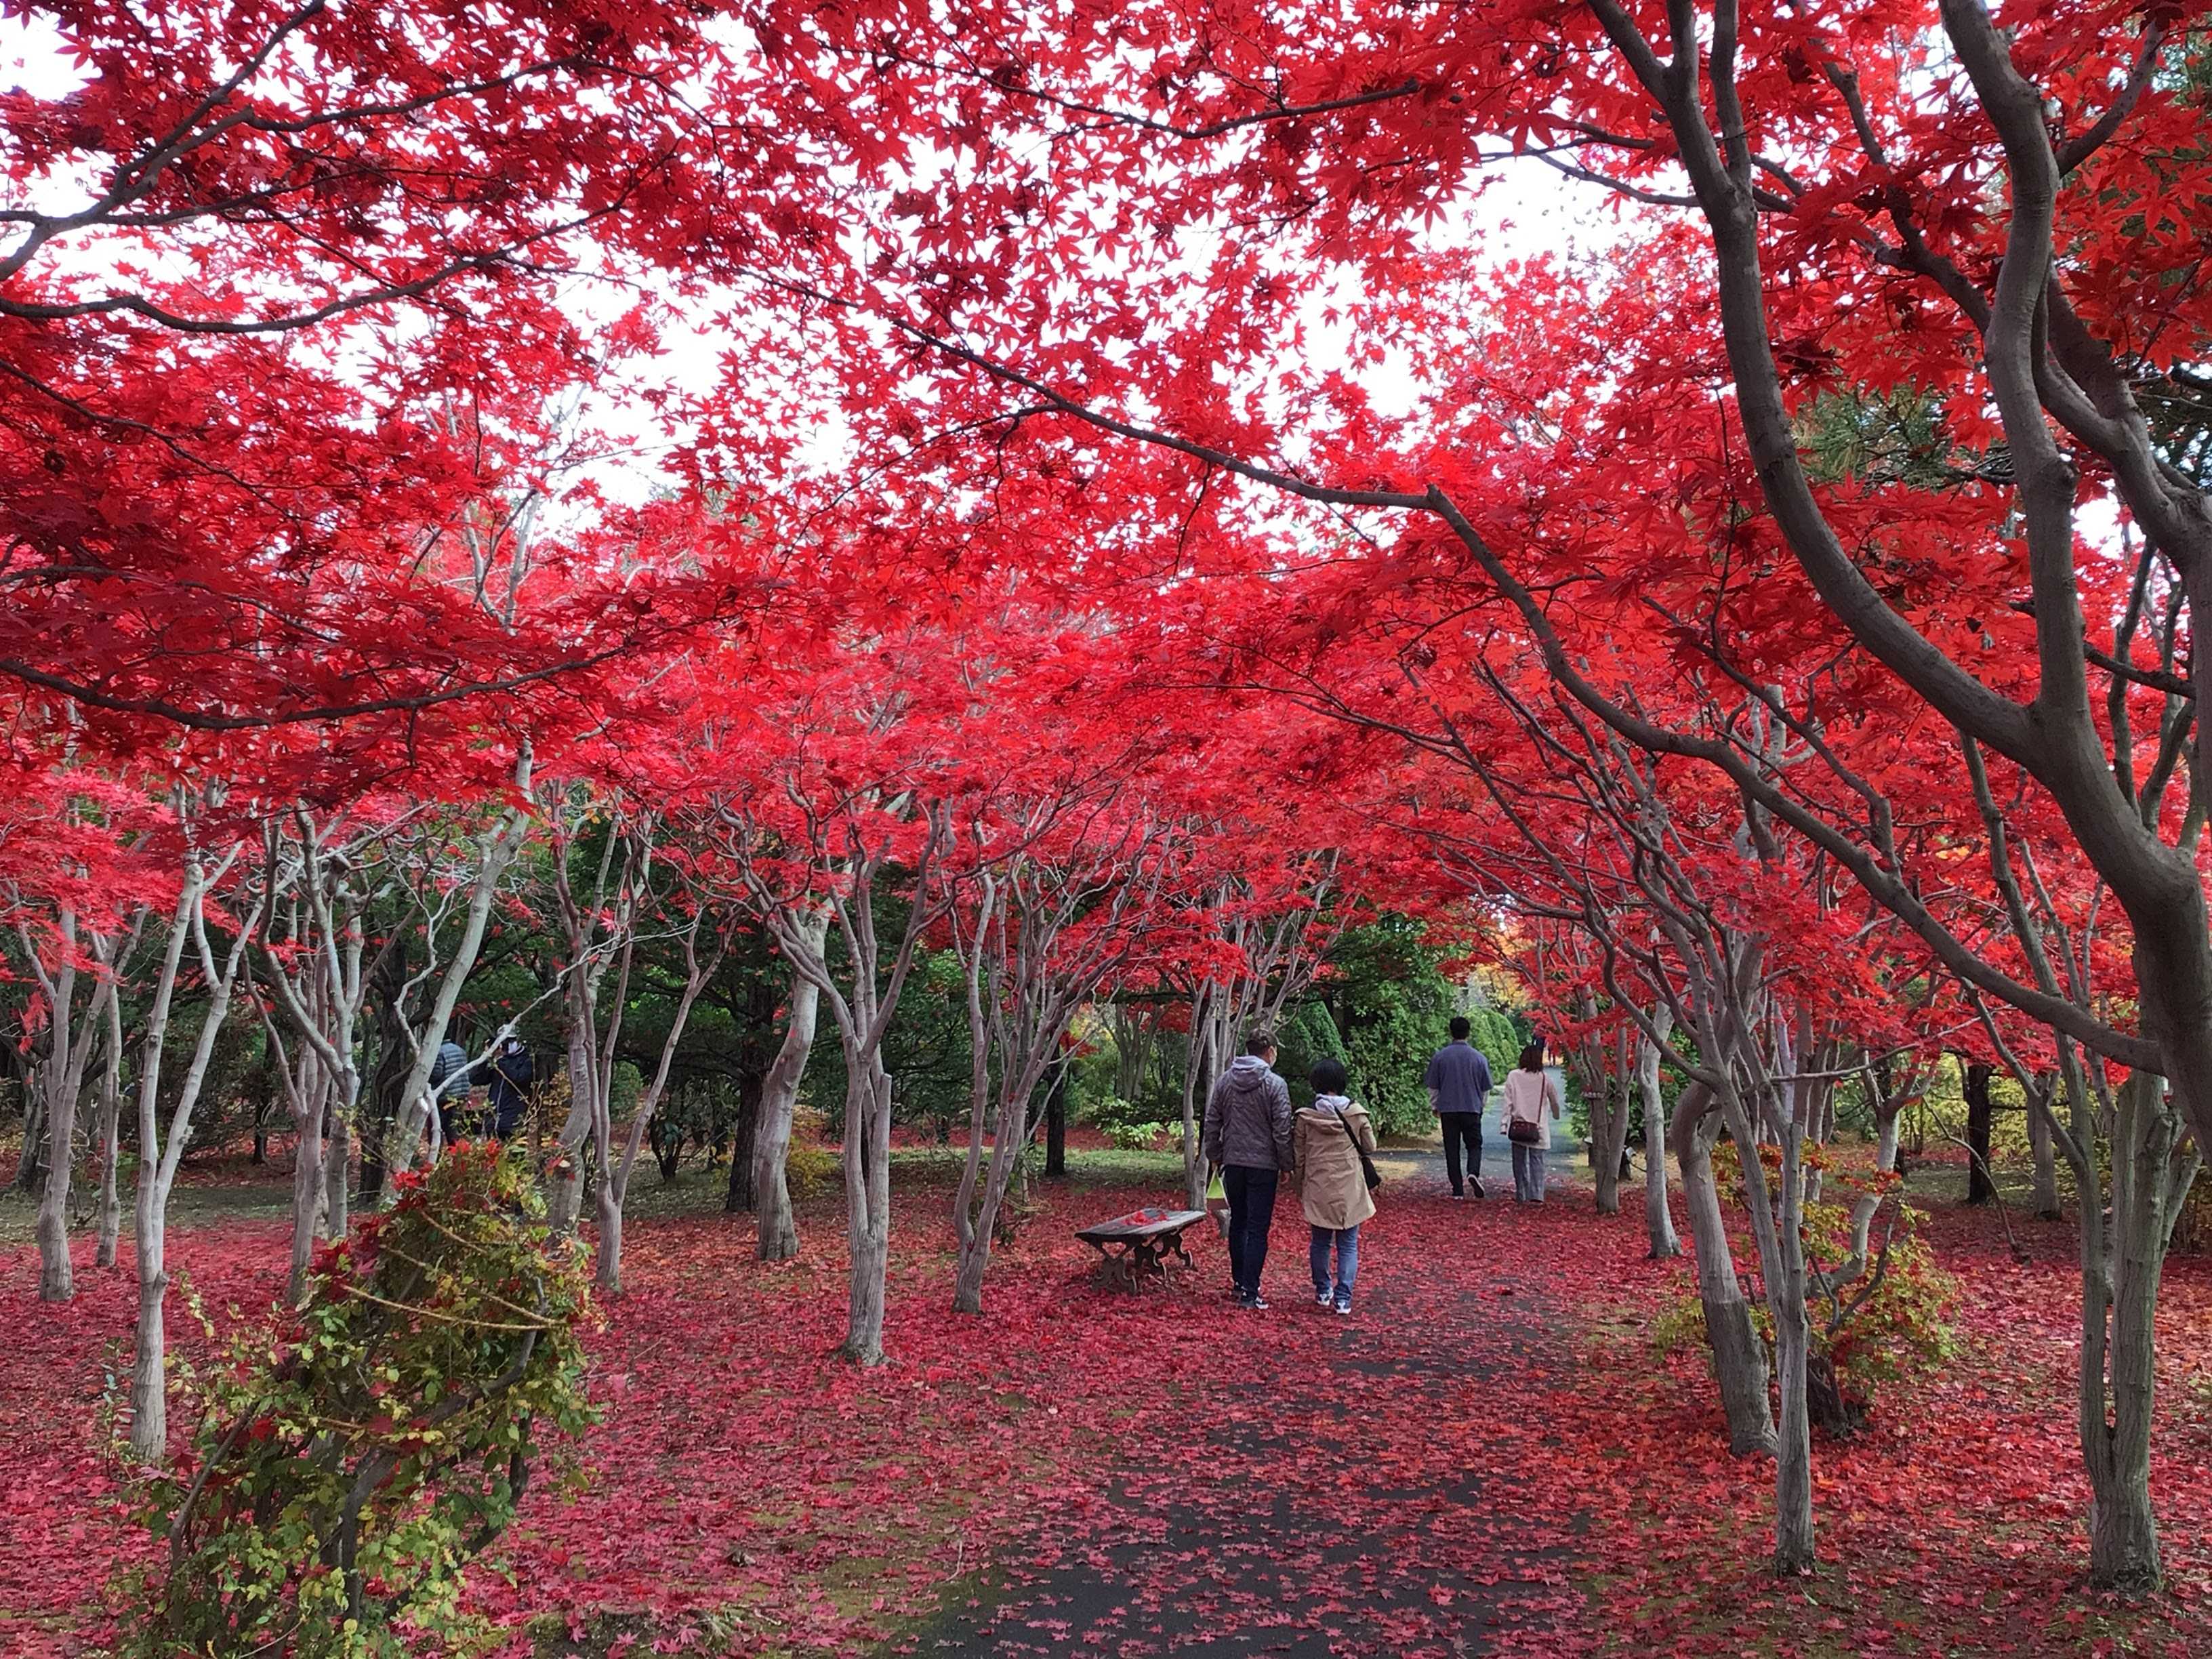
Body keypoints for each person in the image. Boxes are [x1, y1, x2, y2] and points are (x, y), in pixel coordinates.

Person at [1202, 1027, 1293, 1309]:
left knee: (1238, 1222)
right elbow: (1281, 1129)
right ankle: (1251, 1291)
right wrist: (1286, 1163)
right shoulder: (1275, 1084)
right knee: (1257, 1227)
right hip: (1263, 1165)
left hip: (1233, 1162)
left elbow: (1212, 1120)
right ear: (1270, 1052)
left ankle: (1239, 1282)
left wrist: (1215, 1154)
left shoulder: (1225, 1081)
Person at [1292, 1057, 1376, 1315]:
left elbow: (1299, 1156)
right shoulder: (1357, 1114)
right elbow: (1370, 1147)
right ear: (1341, 1083)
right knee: (1348, 1243)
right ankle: (1343, 1298)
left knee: (1320, 1242)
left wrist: (1299, 1185)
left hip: (1319, 1184)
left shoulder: (1306, 1117)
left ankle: (1322, 1290)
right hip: (1349, 1185)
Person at [1424, 1016, 1494, 1200]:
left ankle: (1457, 1188)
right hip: (1471, 1107)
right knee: (1474, 1144)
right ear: (1468, 1033)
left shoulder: (1440, 1057)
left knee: (1451, 1148)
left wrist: (1435, 1105)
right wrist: (1481, 1106)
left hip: (1448, 1109)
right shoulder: (1479, 1058)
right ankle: (1473, 1172)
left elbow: (1433, 1086)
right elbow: (1486, 1088)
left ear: (1451, 1032)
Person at [1500, 1042, 1564, 1202]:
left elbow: (1508, 1102)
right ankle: (1536, 1195)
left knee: (1519, 1163)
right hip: (1539, 1127)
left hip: (1518, 1126)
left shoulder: (1513, 1076)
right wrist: (1556, 1115)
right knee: (1537, 1162)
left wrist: (1504, 1124)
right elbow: (1555, 1100)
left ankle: (1521, 1193)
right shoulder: (1544, 1078)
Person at [482, 1036, 535, 1139]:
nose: (503, 1046)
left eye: (508, 1042)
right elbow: (476, 1079)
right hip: (493, 1116)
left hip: (514, 1117)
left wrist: (501, 1060)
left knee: (516, 1150)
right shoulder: (497, 1062)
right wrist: (486, 1058)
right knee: (493, 1153)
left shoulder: (527, 1060)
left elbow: (519, 1078)